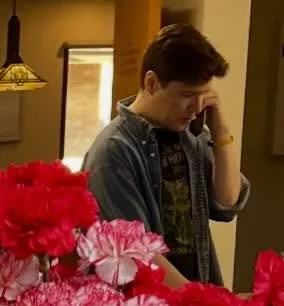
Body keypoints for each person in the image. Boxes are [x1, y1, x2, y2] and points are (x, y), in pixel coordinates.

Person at [84, 23, 249, 286]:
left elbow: (228, 201)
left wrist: (221, 130)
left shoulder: (193, 136)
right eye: (186, 95)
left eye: (203, 96)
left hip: (196, 294)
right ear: (152, 82)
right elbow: (135, 249)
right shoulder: (114, 150)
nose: (195, 108)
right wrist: (197, 300)